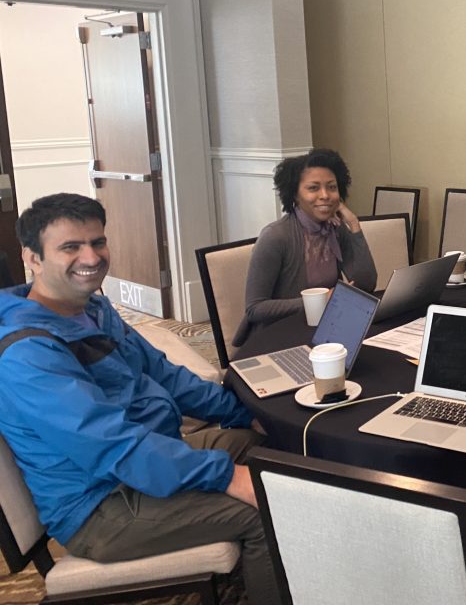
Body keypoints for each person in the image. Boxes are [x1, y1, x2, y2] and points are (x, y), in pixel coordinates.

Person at [0, 194, 279, 605]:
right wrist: (226, 476)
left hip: (148, 457)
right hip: (100, 505)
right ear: (33, 258)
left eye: (97, 242)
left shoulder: (93, 310)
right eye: (71, 247)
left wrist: (242, 414)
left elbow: (166, 376)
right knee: (263, 515)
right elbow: (114, 446)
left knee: (267, 446)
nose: (91, 257)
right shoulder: (28, 354)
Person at [235, 148, 376, 345]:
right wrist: (318, 302)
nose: (325, 195)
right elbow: (255, 309)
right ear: (295, 194)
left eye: (332, 187)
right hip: (278, 337)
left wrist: (353, 224)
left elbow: (366, 284)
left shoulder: (335, 228)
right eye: (313, 188)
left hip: (325, 330)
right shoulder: (275, 236)